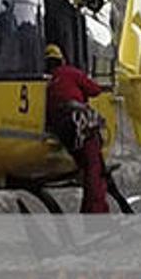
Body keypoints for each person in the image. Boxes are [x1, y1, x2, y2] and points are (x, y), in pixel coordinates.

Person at [45, 43, 109, 213]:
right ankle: (95, 217)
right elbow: (95, 90)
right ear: (62, 60)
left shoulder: (46, 80)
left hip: (59, 126)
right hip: (75, 120)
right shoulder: (70, 72)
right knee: (93, 168)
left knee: (84, 163)